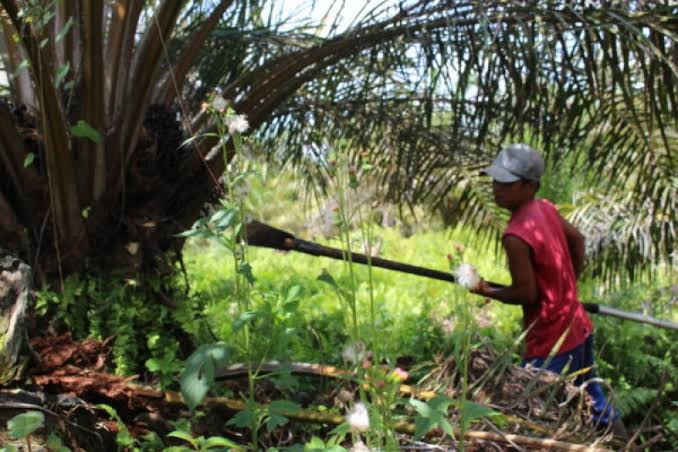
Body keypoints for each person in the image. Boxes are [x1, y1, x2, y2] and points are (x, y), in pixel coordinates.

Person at [471, 143, 625, 434]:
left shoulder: (515, 235)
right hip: (577, 324)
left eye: (506, 183)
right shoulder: (545, 209)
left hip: (551, 339)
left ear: (530, 186)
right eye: (495, 180)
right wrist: (567, 286)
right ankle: (626, 444)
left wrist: (487, 291)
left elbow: (525, 294)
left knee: (528, 411)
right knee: (595, 400)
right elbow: (577, 240)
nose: (496, 189)